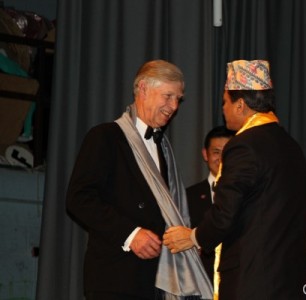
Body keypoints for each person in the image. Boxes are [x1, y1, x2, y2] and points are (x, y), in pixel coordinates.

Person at [163, 59, 306, 299]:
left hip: (255, 283)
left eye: (225, 102)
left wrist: (192, 237)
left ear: (240, 105)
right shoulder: (291, 146)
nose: (223, 109)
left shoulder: (244, 145)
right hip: (293, 284)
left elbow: (225, 214)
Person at [66, 60, 212, 300]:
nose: (173, 106)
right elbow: (79, 199)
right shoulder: (105, 137)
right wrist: (131, 234)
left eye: (178, 99)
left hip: (158, 282)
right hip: (117, 279)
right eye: (168, 96)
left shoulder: (164, 148)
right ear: (143, 89)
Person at [186, 125, 235, 283]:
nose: (221, 159)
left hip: (237, 279)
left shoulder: (248, 195)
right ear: (205, 154)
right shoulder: (187, 196)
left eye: (227, 152)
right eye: (216, 152)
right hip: (198, 281)